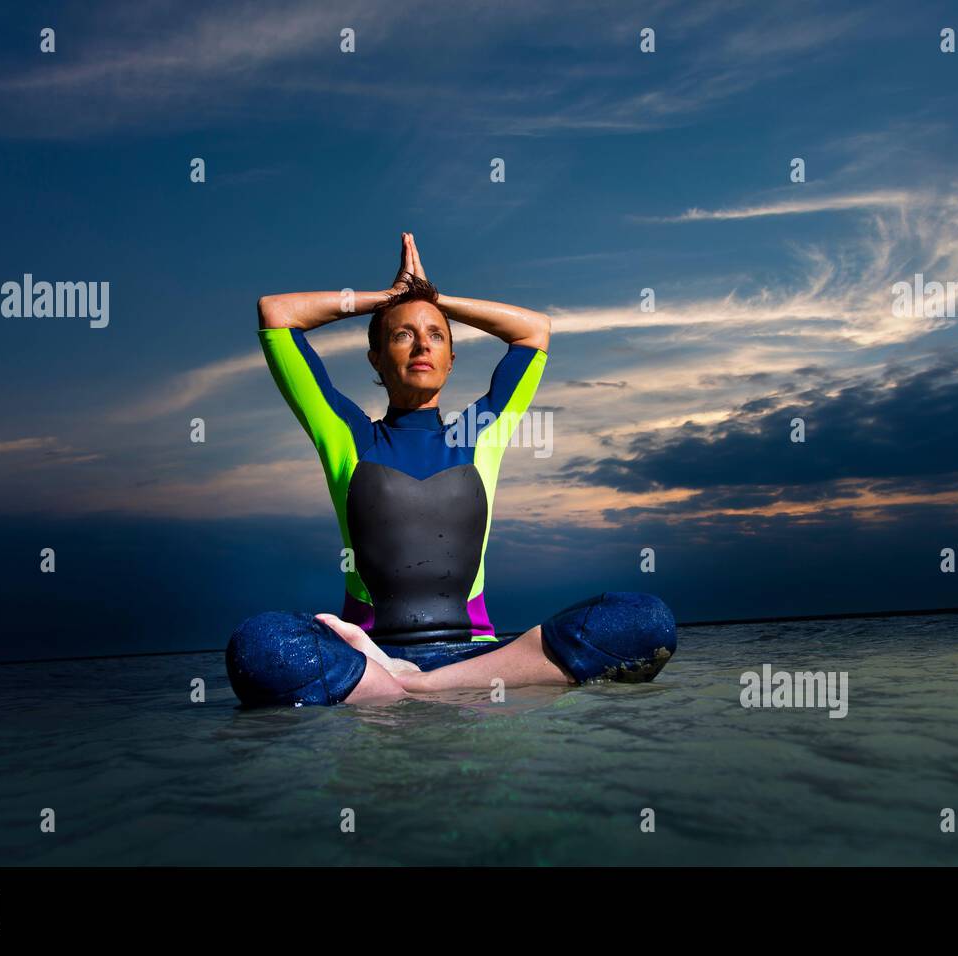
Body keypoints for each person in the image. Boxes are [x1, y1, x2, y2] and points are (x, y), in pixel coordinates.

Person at [227, 233, 677, 706]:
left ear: (451, 360)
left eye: (435, 335)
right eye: (402, 334)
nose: (422, 344)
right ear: (375, 359)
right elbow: (277, 314)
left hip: (478, 656)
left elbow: (533, 330)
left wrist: (432, 298)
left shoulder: (479, 433)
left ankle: (408, 686)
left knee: (646, 619)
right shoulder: (347, 435)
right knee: (260, 643)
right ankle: (392, 677)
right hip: (370, 652)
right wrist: (390, 298)